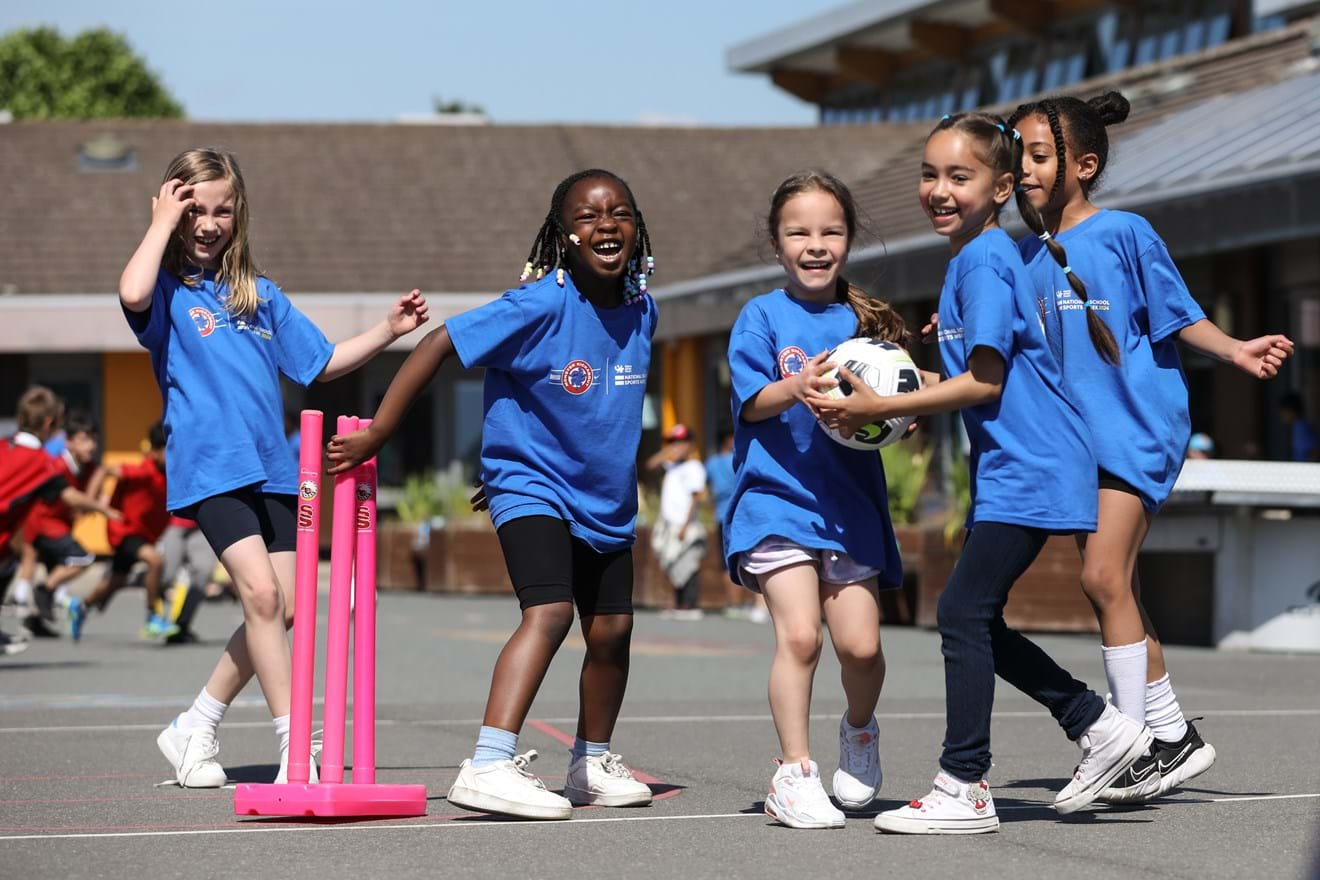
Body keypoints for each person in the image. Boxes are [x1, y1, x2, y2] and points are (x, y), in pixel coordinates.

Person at [815, 114, 1150, 833]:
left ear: (1001, 186)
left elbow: (987, 382)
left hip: (1031, 464)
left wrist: (891, 401)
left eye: (958, 177)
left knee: (963, 614)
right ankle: (1097, 725)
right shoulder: (977, 260)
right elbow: (981, 374)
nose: (938, 190)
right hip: (1016, 465)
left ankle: (964, 783)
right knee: (975, 617)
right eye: (929, 174)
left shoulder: (986, 261)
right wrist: (895, 397)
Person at [329, 169, 658, 820]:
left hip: (606, 498)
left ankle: (591, 761)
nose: (606, 225)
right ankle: (487, 761)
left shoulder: (645, 308)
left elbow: (589, 407)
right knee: (551, 612)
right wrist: (382, 433)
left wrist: (512, 439)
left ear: (637, 226)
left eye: (619, 212)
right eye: (588, 217)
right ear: (564, 235)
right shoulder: (539, 302)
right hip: (534, 486)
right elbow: (439, 342)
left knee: (614, 631)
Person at [1010, 92, 1291, 801]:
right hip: (1077, 444)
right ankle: (1171, 738)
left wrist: (1234, 351)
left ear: (1085, 163)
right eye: (1018, 158)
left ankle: (1128, 743)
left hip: (1136, 431)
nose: (1024, 170)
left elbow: (1179, 313)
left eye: (1039, 156)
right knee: (1120, 593)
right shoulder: (1025, 256)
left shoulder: (1126, 233)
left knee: (1103, 579)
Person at [118, 147, 429, 787]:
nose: (208, 223)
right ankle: (295, 744)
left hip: (275, 471)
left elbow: (320, 362)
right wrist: (157, 225)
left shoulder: (259, 296)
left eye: (222, 210)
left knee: (281, 609)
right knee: (260, 596)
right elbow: (132, 291)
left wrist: (388, 330)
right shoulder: (169, 292)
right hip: (212, 469)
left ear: (240, 214)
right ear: (172, 210)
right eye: (193, 210)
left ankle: (194, 727)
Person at [725, 170, 905, 829]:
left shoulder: (867, 322)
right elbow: (751, 401)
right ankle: (794, 773)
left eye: (830, 230)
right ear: (777, 244)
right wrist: (798, 383)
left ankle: (859, 731)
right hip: (775, 501)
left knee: (860, 648)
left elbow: (896, 405)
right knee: (799, 636)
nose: (815, 243)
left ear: (850, 239)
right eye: (798, 231)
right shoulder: (761, 317)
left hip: (849, 507)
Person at [1, 389, 117, 655]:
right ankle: (42, 595)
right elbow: (71, 497)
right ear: (49, 424)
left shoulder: (3, 446)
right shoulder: (43, 464)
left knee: (9, 566)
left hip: (13, 539)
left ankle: (37, 607)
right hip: (20, 532)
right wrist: (103, 508)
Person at [18, 410, 108, 641]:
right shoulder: (56, 466)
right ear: (68, 442)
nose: (91, 445)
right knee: (82, 558)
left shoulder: (87, 468)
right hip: (43, 524)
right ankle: (44, 590)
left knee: (53, 567)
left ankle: (35, 620)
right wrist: (101, 507)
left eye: (93, 439)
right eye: (84, 439)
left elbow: (87, 496)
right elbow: (73, 499)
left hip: (60, 524)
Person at [84, 422, 174, 639]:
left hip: (144, 535)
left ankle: (80, 606)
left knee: (115, 582)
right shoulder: (141, 471)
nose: (173, 455)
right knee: (155, 561)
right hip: (125, 532)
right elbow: (106, 469)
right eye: (167, 450)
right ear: (153, 452)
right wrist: (92, 501)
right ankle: (153, 617)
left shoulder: (169, 473)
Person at [647, 424, 708, 620]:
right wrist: (666, 451)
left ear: (690, 444)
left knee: (687, 563)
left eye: (681, 442)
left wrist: (686, 525)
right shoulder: (672, 466)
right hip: (668, 523)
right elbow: (649, 466)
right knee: (671, 562)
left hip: (684, 523)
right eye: (673, 441)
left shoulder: (694, 467)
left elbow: (696, 497)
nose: (677, 446)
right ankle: (676, 603)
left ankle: (689, 605)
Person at [707, 430, 768, 622]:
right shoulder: (744, 456)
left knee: (727, 564)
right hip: (745, 514)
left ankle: (733, 604)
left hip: (721, 515)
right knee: (755, 557)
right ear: (729, 439)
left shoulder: (712, 463)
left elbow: (707, 489)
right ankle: (755, 604)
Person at [1280, 393, 1318, 462]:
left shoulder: (1301, 428)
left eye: (1283, 411)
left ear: (1291, 411)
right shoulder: (1297, 427)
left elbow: (1314, 453)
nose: (1282, 415)